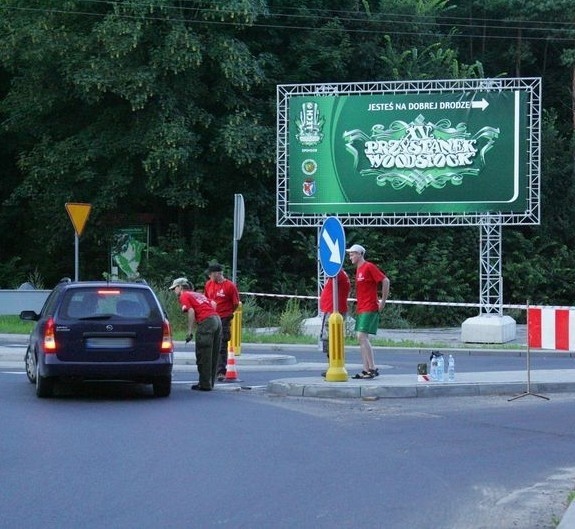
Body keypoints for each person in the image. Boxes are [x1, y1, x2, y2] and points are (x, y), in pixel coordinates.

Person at [169, 277, 222, 391]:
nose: (174, 291)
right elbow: (213, 303)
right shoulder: (197, 294)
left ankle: (204, 384)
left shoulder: (184, 295)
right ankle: (210, 383)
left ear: (180, 287)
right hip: (217, 319)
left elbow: (191, 311)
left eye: (174, 288)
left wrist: (190, 331)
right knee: (213, 354)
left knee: (203, 354)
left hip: (207, 322)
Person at [346, 244, 390, 379]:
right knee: (362, 339)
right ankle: (365, 369)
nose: (350, 257)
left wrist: (382, 301)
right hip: (361, 307)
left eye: (352, 254)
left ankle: (372, 368)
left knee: (361, 336)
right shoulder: (358, 269)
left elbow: (385, 280)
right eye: (349, 254)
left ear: (360, 254)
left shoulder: (368, 266)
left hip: (369, 306)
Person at [204, 262, 240, 381]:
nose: (209, 276)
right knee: (210, 344)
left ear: (218, 273)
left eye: (211, 274)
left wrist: (228, 313)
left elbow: (235, 303)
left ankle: (221, 371)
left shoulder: (229, 286)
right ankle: (210, 370)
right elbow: (206, 299)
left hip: (224, 317)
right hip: (211, 316)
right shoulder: (209, 284)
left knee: (221, 344)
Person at [319, 269, 351, 374]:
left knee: (329, 338)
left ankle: (332, 366)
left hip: (332, 310)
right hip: (333, 309)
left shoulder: (336, 273)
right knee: (333, 338)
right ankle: (333, 365)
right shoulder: (339, 273)